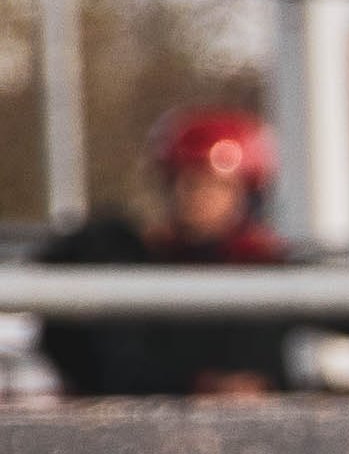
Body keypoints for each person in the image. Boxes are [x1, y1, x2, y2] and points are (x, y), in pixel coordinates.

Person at [34, 105, 330, 399]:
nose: (190, 195)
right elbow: (112, 366)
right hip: (145, 431)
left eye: (212, 184)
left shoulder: (263, 265)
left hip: (254, 437)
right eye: (181, 180)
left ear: (247, 193)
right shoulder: (124, 258)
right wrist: (203, 387)